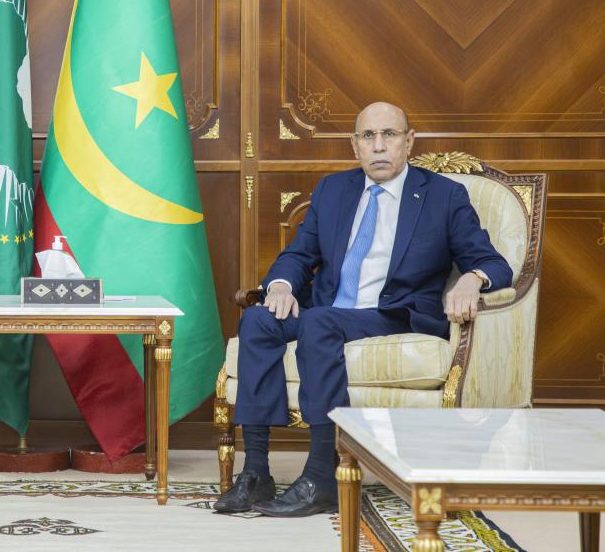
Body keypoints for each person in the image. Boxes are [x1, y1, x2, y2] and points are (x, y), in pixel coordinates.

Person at [214, 102, 512, 517]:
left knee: (318, 323)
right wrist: (280, 286)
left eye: (389, 135)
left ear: (409, 142)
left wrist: (471, 279)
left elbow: (494, 262)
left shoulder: (443, 196)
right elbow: (298, 255)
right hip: (329, 311)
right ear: (355, 145)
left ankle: (322, 477)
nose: (379, 146)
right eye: (368, 136)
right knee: (259, 319)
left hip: (391, 315)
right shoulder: (333, 190)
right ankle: (256, 471)